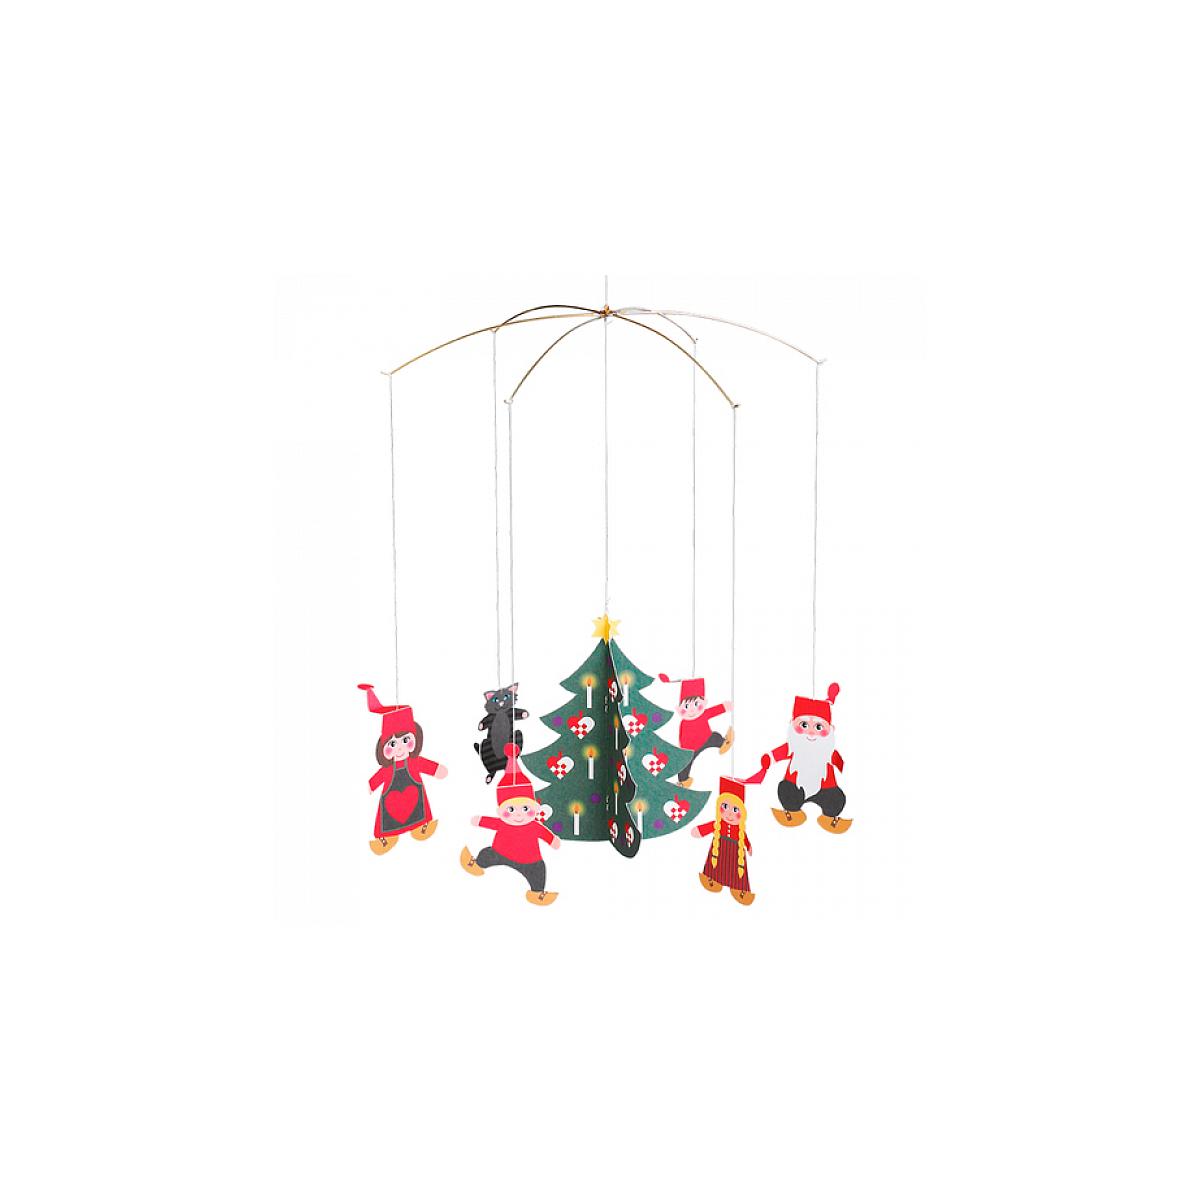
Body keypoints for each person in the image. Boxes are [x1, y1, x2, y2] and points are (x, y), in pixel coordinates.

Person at [461, 745, 561, 906]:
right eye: (511, 809)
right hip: (500, 852)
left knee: (538, 870)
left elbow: (544, 833)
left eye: (525, 808)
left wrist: (552, 840)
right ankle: (477, 862)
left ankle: (537, 892)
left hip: (530, 860)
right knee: (486, 854)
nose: (519, 815)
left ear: (533, 807)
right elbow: (492, 822)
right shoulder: (504, 823)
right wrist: (480, 820)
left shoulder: (533, 826)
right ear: (502, 810)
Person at [359, 684, 447, 854]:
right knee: (388, 819)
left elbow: (428, 766)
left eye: (405, 741)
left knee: (418, 809)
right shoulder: (387, 770)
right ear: (383, 748)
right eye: (392, 744)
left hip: (413, 803)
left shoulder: (414, 762)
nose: (399, 748)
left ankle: (420, 826)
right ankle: (387, 836)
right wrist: (369, 786)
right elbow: (376, 779)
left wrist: (437, 770)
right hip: (391, 805)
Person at [761, 683, 851, 832]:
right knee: (787, 790)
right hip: (795, 786)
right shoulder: (794, 746)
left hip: (826, 788)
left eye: (818, 727)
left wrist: (844, 768)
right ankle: (792, 811)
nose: (810, 733)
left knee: (835, 798)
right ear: (792, 724)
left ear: (830, 730)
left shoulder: (827, 750)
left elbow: (839, 762)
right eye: (803, 725)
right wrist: (768, 759)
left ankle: (830, 816)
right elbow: (779, 752)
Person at [656, 673, 733, 787]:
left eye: (696, 704)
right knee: (685, 764)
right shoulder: (684, 722)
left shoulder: (703, 714)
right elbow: (681, 737)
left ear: (703, 702)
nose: (692, 709)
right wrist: (683, 750)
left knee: (715, 736)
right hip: (691, 748)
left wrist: (725, 707)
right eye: (687, 706)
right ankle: (683, 780)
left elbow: (714, 710)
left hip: (707, 738)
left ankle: (724, 743)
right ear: (680, 707)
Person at [692, 776, 755, 906]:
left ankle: (738, 887)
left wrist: (748, 846)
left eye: (735, 809)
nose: (729, 814)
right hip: (719, 847)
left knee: (736, 870)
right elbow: (708, 827)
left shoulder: (740, 830)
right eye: (725, 806)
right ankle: (713, 878)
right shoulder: (718, 825)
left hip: (736, 851)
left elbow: (744, 837)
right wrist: (700, 831)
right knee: (717, 865)